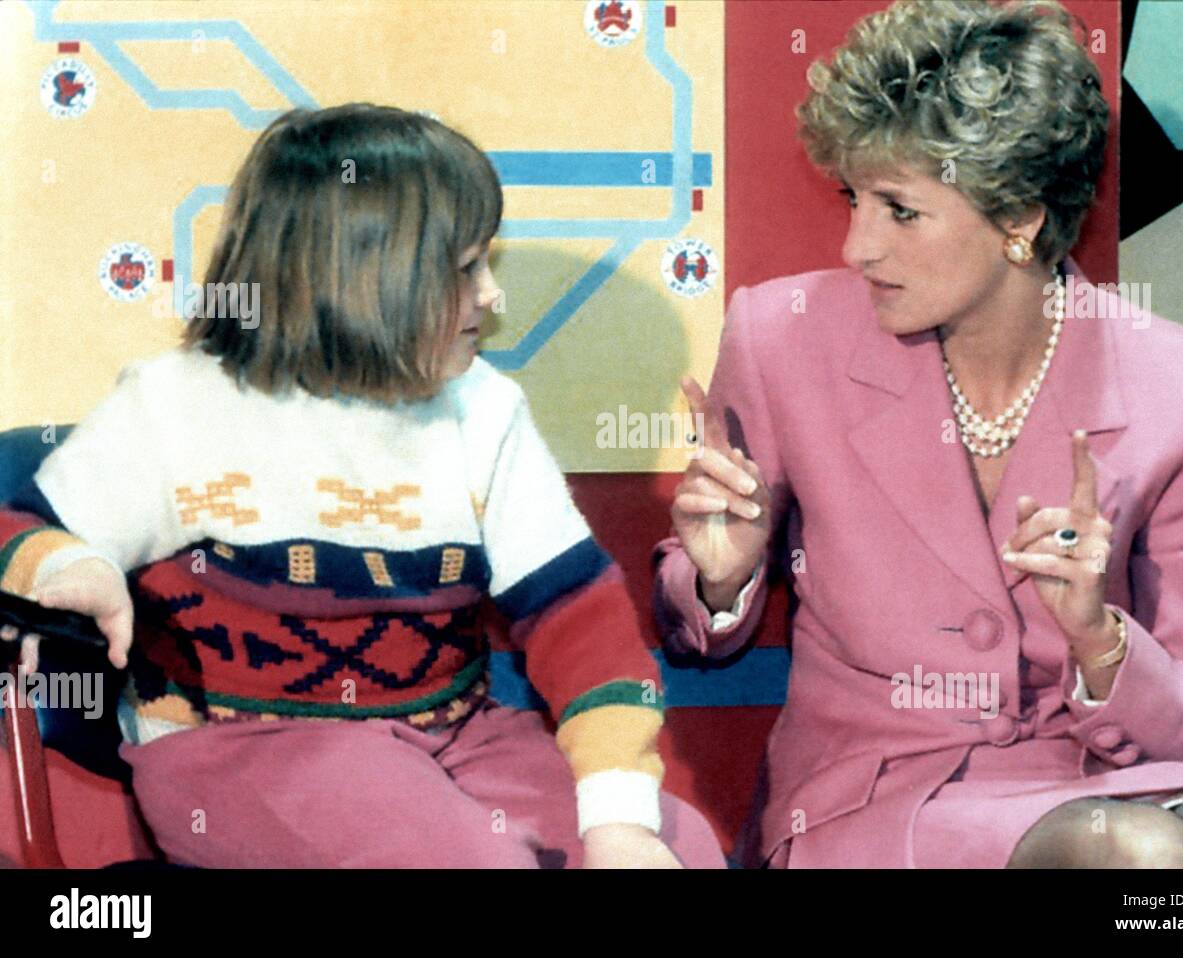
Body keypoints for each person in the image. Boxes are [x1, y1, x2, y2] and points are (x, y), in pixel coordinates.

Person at [653, 0, 1183, 868]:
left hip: (1103, 772)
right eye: (856, 198)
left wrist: (1100, 636)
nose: (857, 245)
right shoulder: (782, 336)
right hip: (874, 792)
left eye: (900, 211)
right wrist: (721, 576)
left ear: (1019, 219)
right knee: (1140, 858)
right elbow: (698, 624)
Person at [0, 104, 724, 869]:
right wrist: (66, 565)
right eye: (465, 270)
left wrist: (620, 823)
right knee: (467, 860)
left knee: (683, 847)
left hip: (455, 736)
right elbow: (16, 525)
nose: (492, 296)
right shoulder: (175, 405)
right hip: (242, 752)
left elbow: (581, 625)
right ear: (359, 283)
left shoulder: (484, 408)